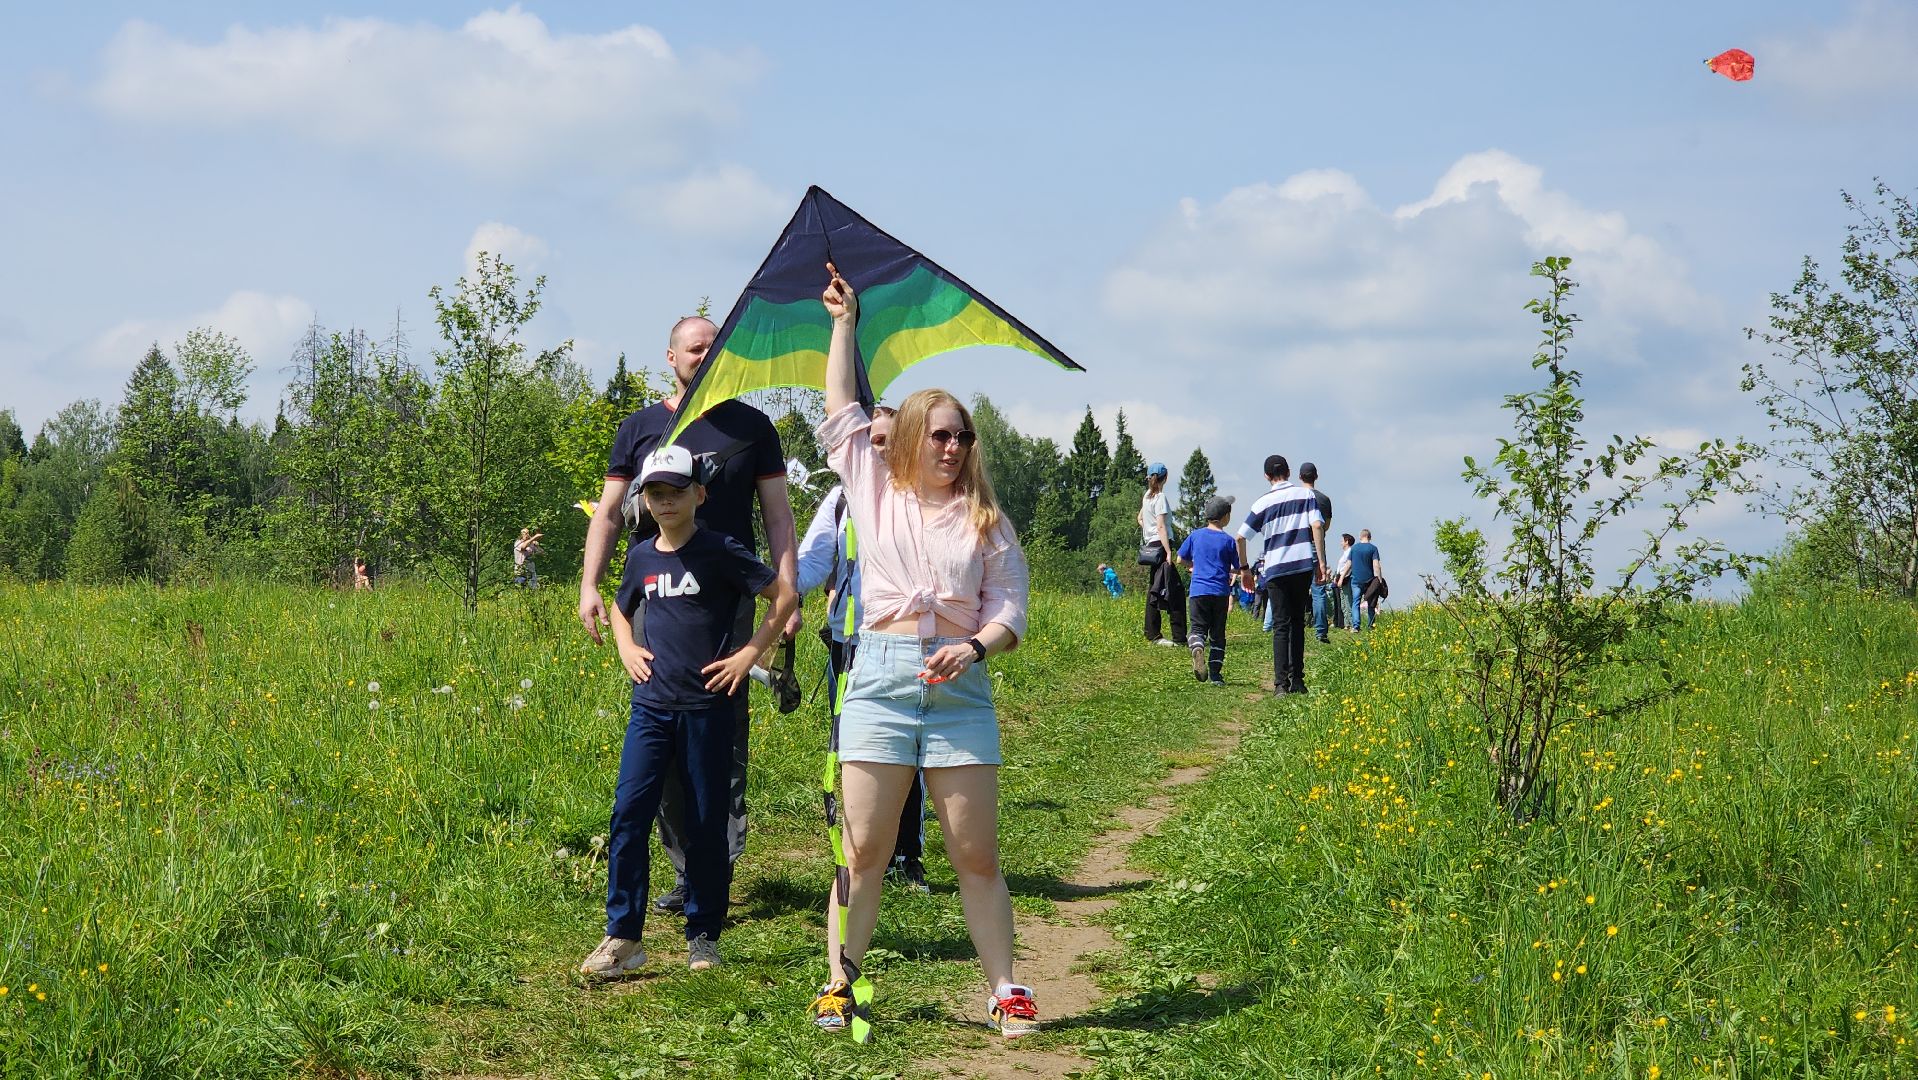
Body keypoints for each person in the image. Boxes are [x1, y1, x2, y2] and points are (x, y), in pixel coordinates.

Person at [807, 263, 1038, 1039]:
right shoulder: (875, 493)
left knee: (975, 854)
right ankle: (842, 984)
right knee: (865, 846)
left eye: (962, 435)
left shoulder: (985, 520)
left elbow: (1011, 610)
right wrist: (845, 325)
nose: (953, 445)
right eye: (939, 433)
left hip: (959, 692)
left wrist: (974, 646)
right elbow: (841, 410)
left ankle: (1005, 988)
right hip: (877, 676)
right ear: (912, 438)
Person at [578, 314, 799, 917]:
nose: (703, 356)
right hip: (657, 596)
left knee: (720, 734)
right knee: (663, 729)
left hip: (729, 599)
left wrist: (789, 591)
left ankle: (715, 870)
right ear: (670, 357)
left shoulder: (751, 428)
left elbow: (777, 515)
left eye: (713, 349)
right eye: (693, 349)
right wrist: (590, 584)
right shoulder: (641, 427)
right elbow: (607, 512)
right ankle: (684, 869)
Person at [795, 408, 931, 893]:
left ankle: (906, 857)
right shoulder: (840, 501)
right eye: (872, 440)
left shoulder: (920, 500)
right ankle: (856, 856)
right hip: (848, 646)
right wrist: (770, 583)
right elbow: (811, 564)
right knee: (854, 751)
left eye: (888, 441)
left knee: (909, 749)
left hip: (904, 646)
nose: (879, 449)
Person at [1236, 455, 1327, 696]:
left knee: (1280, 625)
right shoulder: (1306, 495)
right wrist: (1321, 562)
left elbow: (1241, 537)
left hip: (1275, 567)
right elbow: (1317, 526)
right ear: (1288, 472)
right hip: (1301, 565)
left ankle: (1280, 685)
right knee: (1297, 621)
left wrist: (1245, 569)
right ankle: (1297, 679)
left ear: (1267, 476)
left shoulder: (1262, 503)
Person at [1177, 495, 1240, 685]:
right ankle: (1215, 675)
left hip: (1198, 591)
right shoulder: (1228, 541)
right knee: (1218, 634)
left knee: (1197, 629)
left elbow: (1180, 559)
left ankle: (1197, 648)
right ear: (1225, 518)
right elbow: (1236, 568)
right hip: (1220, 592)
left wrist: (1194, 566)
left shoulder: (1195, 536)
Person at [1139, 463, 1186, 647]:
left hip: (1151, 546)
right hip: (1161, 546)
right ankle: (1179, 637)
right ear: (1165, 478)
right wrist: (1168, 552)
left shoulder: (1147, 497)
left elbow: (1140, 519)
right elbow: (1161, 526)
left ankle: (1152, 633)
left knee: (1155, 588)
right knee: (1174, 590)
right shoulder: (1160, 497)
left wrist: (1148, 533)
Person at [1298, 464, 1334, 643]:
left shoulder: (1295, 497)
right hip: (1316, 546)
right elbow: (1325, 526)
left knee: (1296, 590)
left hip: (1297, 547)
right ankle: (1321, 632)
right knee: (1318, 590)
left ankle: (1292, 627)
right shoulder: (1324, 499)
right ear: (1316, 476)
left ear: (1299, 477)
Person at [1349, 529, 1384, 631]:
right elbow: (1376, 565)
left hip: (1356, 581)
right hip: (1369, 581)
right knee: (1371, 603)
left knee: (1355, 603)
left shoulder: (1354, 548)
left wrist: (1341, 577)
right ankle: (1371, 626)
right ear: (1370, 537)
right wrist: (1379, 579)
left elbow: (1348, 564)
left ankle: (1356, 626)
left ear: (1360, 537)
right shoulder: (1373, 549)